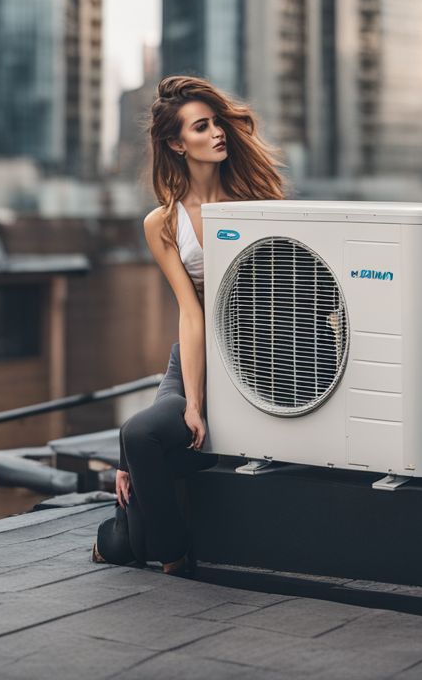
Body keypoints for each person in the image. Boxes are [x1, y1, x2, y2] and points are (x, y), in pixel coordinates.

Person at [92, 75, 286, 574]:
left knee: (131, 530)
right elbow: (190, 312)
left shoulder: (259, 204)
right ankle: (174, 555)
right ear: (178, 144)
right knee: (138, 436)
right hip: (194, 361)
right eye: (203, 126)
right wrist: (194, 402)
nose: (218, 131)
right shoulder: (161, 223)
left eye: (218, 121)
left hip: (251, 357)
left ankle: (122, 540)